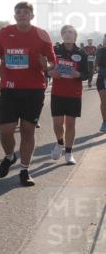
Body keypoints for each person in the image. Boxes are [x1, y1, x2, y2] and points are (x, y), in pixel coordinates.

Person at [0, 1, 56, 187]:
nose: (22, 15)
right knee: (6, 131)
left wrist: (46, 66)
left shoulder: (41, 34)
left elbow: (52, 63)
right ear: (14, 15)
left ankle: (25, 170)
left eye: (26, 12)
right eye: (18, 12)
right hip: (9, 88)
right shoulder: (5, 32)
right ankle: (10, 156)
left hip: (33, 89)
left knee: (28, 131)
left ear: (32, 16)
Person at [49, 25, 92, 164]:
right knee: (57, 124)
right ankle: (60, 143)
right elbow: (45, 70)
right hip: (57, 93)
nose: (67, 34)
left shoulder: (81, 53)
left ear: (75, 36)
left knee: (71, 124)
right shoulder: (55, 50)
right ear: (62, 35)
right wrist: (51, 73)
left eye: (71, 32)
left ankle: (68, 153)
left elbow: (87, 74)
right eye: (65, 32)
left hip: (74, 94)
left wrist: (78, 74)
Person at [97, 36, 106, 134]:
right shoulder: (100, 51)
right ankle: (104, 122)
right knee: (104, 100)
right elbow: (97, 62)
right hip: (102, 78)